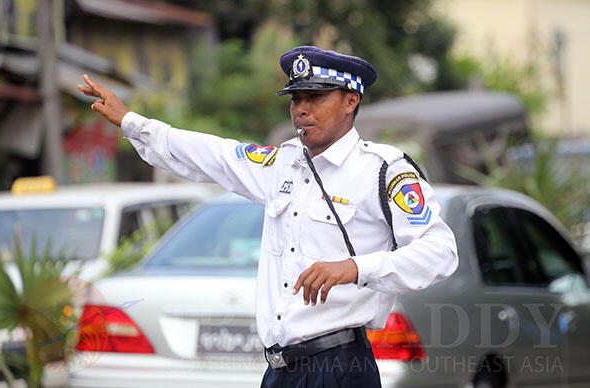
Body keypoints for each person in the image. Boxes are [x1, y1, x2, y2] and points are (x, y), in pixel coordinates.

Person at [78, 45, 458, 387]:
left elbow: (440, 252)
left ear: (350, 101)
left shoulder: (383, 169)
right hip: (279, 371)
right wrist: (132, 122)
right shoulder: (285, 163)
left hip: (340, 367)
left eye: (315, 97)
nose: (301, 110)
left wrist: (355, 268)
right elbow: (213, 154)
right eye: (295, 100)